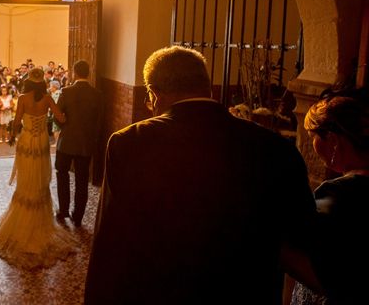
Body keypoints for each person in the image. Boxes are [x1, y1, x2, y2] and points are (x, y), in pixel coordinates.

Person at [84, 45, 316, 304]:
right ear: (208, 88)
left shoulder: (129, 142)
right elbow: (303, 240)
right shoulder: (275, 148)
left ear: (154, 94)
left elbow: (111, 240)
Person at [284, 88, 369, 305]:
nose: (312, 146)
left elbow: (316, 266)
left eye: (313, 137)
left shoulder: (336, 194)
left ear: (332, 139)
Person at [0, 67, 77, 269]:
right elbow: (61, 118)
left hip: (27, 141)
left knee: (26, 180)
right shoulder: (47, 98)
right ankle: (39, 223)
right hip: (41, 143)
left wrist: (12, 135)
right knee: (40, 180)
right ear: (42, 82)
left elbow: (17, 121)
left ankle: (22, 224)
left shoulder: (22, 98)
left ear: (29, 81)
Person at [55, 60, 103, 228]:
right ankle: (78, 216)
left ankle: (63, 210)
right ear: (88, 73)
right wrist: (93, 140)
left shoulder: (66, 92)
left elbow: (57, 115)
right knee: (82, 180)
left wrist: (64, 127)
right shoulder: (97, 94)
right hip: (86, 143)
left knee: (62, 175)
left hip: (66, 142)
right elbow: (99, 121)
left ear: (75, 73)